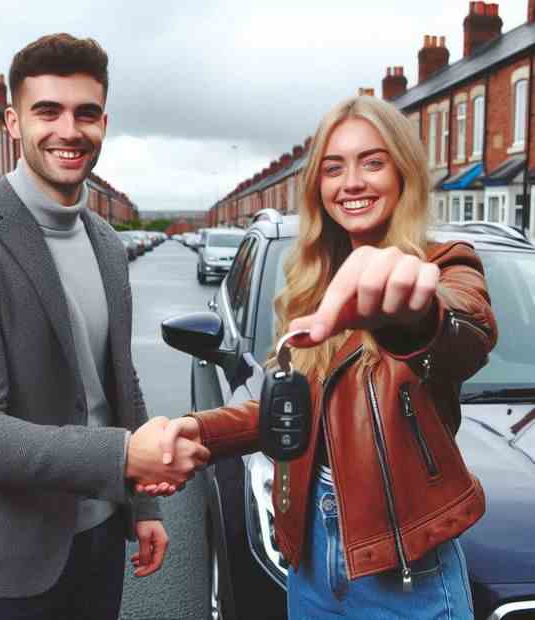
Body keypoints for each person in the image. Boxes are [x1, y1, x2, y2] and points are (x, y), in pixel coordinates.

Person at [146, 95, 498, 619]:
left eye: (372, 162)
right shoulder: (309, 285)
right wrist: (198, 431)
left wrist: (410, 314)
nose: (351, 182)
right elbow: (292, 408)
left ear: (403, 174)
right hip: (309, 560)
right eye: (334, 168)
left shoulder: (445, 266)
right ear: (318, 188)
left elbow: (465, 331)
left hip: (405, 574)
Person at [0, 34, 208, 620]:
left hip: (98, 544)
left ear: (104, 122)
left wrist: (143, 509)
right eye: (47, 111)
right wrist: (127, 455)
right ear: (13, 122)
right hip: (0, 571)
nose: (69, 130)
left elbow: (118, 382)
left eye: (86, 113)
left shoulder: (105, 241)